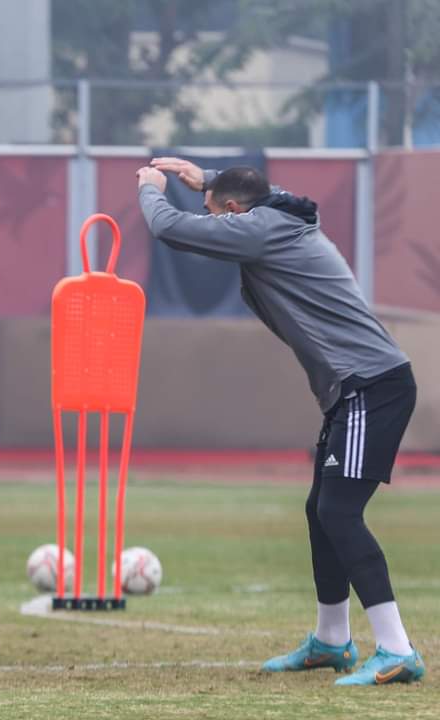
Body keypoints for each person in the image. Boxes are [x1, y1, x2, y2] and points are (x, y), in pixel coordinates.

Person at [137, 157, 424, 687]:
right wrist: (207, 179)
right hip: (354, 388)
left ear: (233, 211)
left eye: (215, 212)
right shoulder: (279, 215)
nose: (215, 222)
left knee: (339, 512)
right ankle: (332, 641)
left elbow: (169, 228)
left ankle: (397, 649)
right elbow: (271, 193)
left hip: (372, 386)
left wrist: (153, 189)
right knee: (321, 511)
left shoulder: (260, 229)